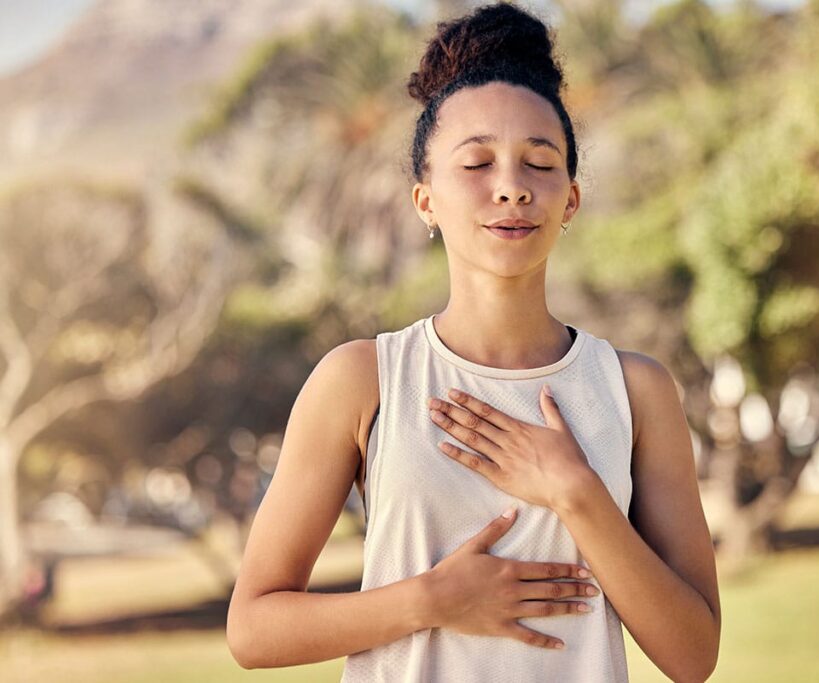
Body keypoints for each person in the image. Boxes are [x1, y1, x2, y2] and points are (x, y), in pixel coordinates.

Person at [226, 3, 720, 681]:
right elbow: (253, 628)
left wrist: (576, 491)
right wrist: (430, 599)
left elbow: (694, 656)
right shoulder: (364, 379)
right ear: (424, 199)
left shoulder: (635, 389)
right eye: (478, 162)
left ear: (570, 200)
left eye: (539, 164)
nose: (512, 188)